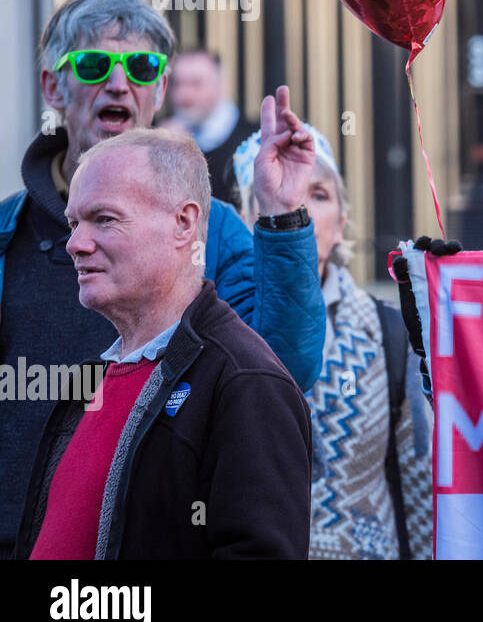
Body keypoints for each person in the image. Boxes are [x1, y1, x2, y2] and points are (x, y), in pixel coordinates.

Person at [0, 0, 325, 560]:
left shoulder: (213, 229)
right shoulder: (7, 231)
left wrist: (281, 216)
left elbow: (283, 367)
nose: (120, 83)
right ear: (54, 87)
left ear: (161, 89)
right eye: (96, 64)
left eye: (143, 65)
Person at [16, 130, 311, 559]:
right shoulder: (98, 378)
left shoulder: (245, 381)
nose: (76, 244)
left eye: (105, 219)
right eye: (73, 223)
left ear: (183, 223)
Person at [231, 126, 433, 560]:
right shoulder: (217, 329)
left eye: (317, 195)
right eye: (278, 195)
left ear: (341, 222)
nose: (297, 207)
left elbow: (421, 481)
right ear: (247, 217)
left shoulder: (389, 333)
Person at [163, 48, 258, 205]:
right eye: (177, 84)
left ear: (220, 85)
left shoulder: (253, 140)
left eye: (196, 84)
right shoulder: (158, 135)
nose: (184, 95)